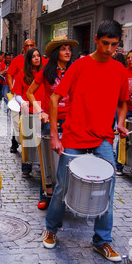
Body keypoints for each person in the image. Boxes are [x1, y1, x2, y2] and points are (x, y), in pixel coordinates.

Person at [43, 20, 129, 263]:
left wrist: (120, 123)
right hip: (74, 136)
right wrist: (55, 136)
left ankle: (102, 241)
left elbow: (122, 102)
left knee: (107, 192)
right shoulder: (79, 66)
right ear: (96, 40)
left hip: (103, 138)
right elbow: (54, 98)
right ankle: (51, 227)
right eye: (105, 44)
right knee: (63, 188)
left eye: (114, 44)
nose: (110, 49)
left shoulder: (119, 70)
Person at [26, 36, 78, 210]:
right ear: (56, 52)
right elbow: (30, 93)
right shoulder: (46, 70)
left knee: (71, 158)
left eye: (69, 49)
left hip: (72, 119)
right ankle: (45, 194)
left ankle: (70, 195)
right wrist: (40, 111)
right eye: (63, 49)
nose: (68, 52)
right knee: (48, 159)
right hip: (51, 120)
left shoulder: (75, 70)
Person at [13, 48, 45, 178]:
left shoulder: (45, 73)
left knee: (42, 141)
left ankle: (42, 165)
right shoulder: (22, 74)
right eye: (34, 56)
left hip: (43, 111)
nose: (37, 58)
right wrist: (23, 103)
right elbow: (17, 94)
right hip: (29, 111)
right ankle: (26, 167)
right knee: (28, 141)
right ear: (29, 59)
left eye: (38, 56)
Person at [7, 40, 37, 154]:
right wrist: (12, 88)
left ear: (35, 46)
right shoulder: (17, 60)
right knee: (17, 120)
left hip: (34, 98)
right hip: (20, 96)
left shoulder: (39, 59)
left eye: (31, 45)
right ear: (23, 47)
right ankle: (14, 143)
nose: (29, 47)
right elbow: (9, 74)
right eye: (27, 46)